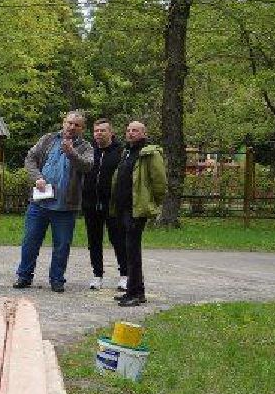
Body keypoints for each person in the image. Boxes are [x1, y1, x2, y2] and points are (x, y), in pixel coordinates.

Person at [13, 110, 95, 292]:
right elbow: (30, 159)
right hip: (40, 203)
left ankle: (57, 279)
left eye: (77, 125)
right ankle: (24, 276)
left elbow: (88, 166)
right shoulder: (48, 139)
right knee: (30, 241)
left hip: (66, 206)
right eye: (69, 123)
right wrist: (37, 178)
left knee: (62, 245)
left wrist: (71, 153)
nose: (72, 127)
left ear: (82, 128)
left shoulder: (86, 147)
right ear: (63, 122)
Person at [114, 119, 166, 307]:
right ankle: (136, 290)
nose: (130, 133)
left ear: (144, 133)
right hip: (123, 207)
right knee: (128, 251)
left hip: (137, 209)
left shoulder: (149, 154)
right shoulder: (126, 152)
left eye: (135, 130)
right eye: (128, 130)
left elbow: (160, 182)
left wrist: (153, 204)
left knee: (133, 252)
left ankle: (134, 294)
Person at [81, 118, 127, 292]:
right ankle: (97, 275)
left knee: (118, 240)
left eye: (102, 131)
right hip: (91, 203)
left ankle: (125, 275)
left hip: (113, 204)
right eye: (96, 131)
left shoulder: (120, 152)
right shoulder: (88, 151)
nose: (99, 134)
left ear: (111, 132)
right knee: (94, 241)